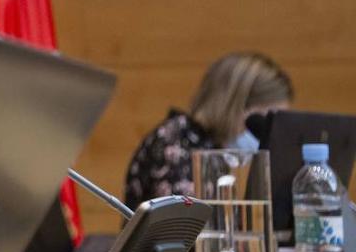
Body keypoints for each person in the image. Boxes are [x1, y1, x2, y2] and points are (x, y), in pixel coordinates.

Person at [124, 52, 293, 210]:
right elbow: (186, 224)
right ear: (237, 107)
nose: (263, 132)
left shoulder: (213, 142)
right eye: (262, 121)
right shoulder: (174, 143)